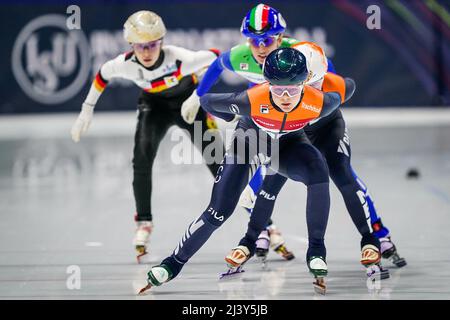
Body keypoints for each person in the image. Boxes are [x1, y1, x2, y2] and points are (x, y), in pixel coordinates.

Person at [183, 3, 406, 268]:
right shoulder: (241, 56)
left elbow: (336, 86)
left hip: (312, 120)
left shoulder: (302, 56)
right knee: (263, 172)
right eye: (254, 41)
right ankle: (260, 231)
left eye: (267, 40)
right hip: (281, 122)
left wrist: (319, 110)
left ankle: (377, 234)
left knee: (341, 171)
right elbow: (219, 66)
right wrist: (197, 97)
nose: (261, 47)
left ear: (280, 38)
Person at [140, 47, 354, 295]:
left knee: (318, 170)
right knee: (218, 212)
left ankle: (316, 250)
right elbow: (208, 101)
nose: (285, 96)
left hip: (288, 146)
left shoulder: (321, 102)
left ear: (306, 83)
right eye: (277, 88)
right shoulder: (251, 100)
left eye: (293, 89)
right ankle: (172, 264)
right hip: (249, 144)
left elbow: (347, 87)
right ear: (266, 83)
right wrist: (231, 118)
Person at [70, 10, 224, 263]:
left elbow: (219, 58)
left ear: (161, 41)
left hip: (188, 104)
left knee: (219, 163)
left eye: (152, 45)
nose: (147, 52)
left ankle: (262, 222)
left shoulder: (180, 59)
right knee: (141, 160)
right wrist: (86, 110)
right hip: (154, 107)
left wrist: (198, 96)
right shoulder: (123, 64)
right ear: (131, 45)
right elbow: (102, 76)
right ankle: (144, 222)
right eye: (140, 46)